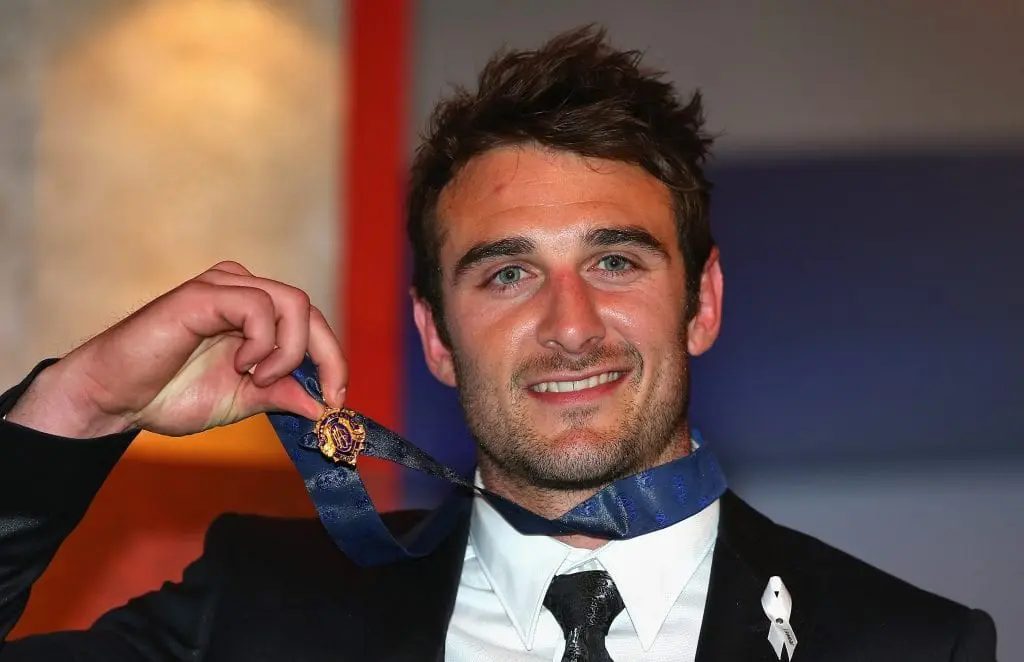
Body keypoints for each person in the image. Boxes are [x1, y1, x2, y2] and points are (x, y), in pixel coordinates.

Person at [0, 25, 997, 662]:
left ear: (701, 303)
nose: (569, 327)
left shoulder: (904, 641)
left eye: (614, 262)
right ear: (435, 335)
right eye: (507, 273)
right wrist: (77, 403)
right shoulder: (259, 609)